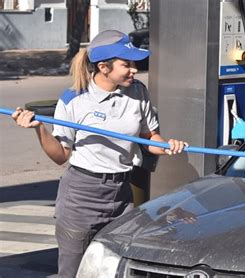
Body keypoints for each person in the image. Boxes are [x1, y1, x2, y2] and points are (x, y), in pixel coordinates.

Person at [11, 30, 187, 277]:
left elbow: (149, 138)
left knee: (117, 270)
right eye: (126, 64)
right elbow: (61, 155)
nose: (134, 69)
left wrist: (168, 146)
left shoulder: (138, 92)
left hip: (122, 194)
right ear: (104, 67)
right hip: (81, 197)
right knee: (73, 272)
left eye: (134, 64)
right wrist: (39, 128)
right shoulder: (74, 100)